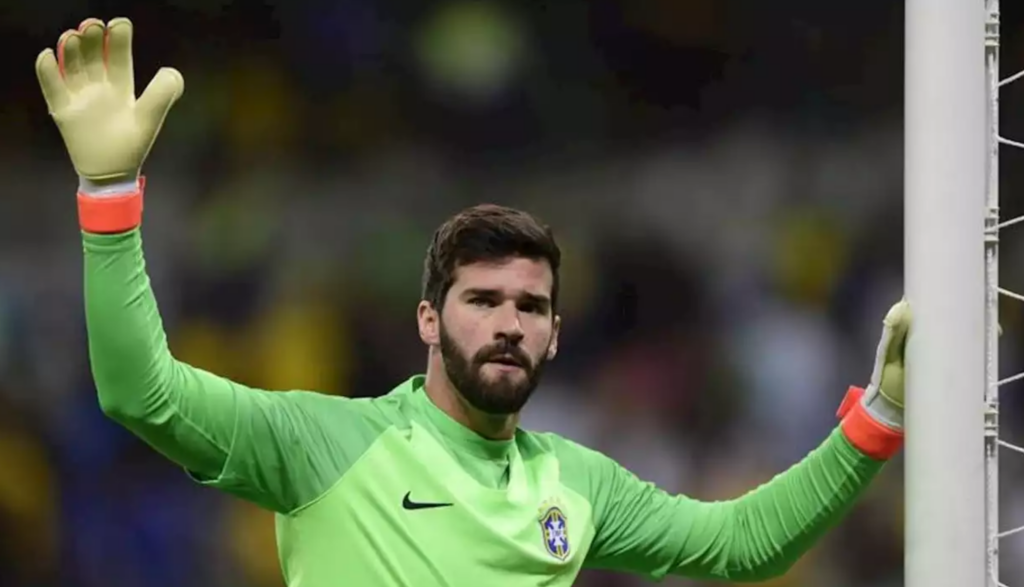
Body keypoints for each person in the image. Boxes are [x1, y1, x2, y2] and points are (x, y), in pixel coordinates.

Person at [34, 17, 910, 587]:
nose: (508, 323)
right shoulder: (323, 445)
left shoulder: (577, 482)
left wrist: (878, 416)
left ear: (556, 335)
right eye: (482, 299)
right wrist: (108, 194)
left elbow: (742, 544)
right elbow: (138, 390)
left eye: (531, 307)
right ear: (428, 319)